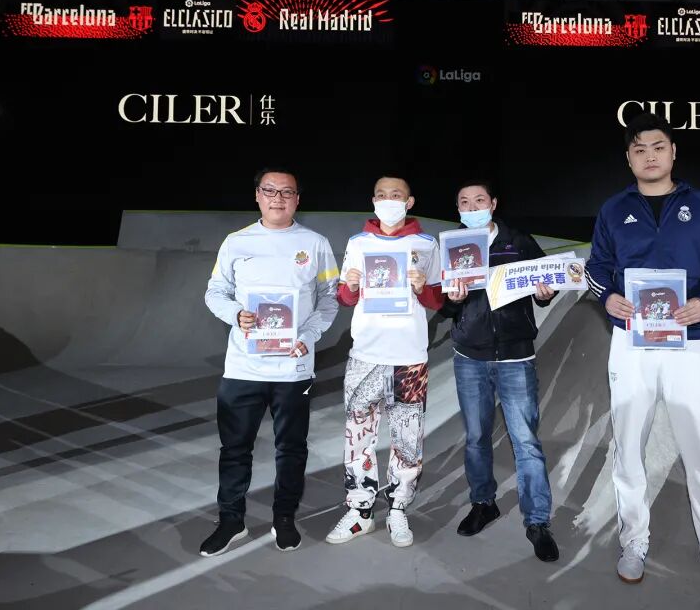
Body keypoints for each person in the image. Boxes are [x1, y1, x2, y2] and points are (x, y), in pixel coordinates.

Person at [586, 113, 700, 601]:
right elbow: (597, 267)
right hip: (631, 343)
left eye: (658, 147)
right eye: (639, 149)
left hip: (689, 342)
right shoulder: (613, 209)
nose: (649, 156)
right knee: (629, 448)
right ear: (628, 158)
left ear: (673, 152)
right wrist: (607, 298)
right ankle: (634, 542)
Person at [200, 167, 339, 556]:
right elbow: (214, 292)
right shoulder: (236, 242)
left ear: (298, 199)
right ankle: (231, 520)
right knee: (234, 448)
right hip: (243, 368)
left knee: (291, 448)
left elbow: (330, 297)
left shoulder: (316, 244)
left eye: (287, 192)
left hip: (293, 369)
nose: (278, 198)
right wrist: (235, 314)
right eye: (270, 190)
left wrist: (308, 336)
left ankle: (284, 517)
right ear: (257, 196)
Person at [439, 180, 560, 562]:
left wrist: (545, 292)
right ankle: (483, 503)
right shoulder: (452, 247)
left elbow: (546, 285)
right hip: (470, 357)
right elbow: (443, 305)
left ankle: (537, 521)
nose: (472, 207)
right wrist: (451, 299)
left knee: (526, 440)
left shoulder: (518, 241)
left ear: (492, 204)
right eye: (464, 202)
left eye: (479, 200)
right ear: (458, 209)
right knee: (476, 437)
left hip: (514, 356)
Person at [325, 175, 443, 548]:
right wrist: (351, 286)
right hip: (366, 355)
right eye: (380, 195)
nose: (387, 200)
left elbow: (438, 300)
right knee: (358, 436)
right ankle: (360, 511)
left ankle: (397, 508)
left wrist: (422, 287)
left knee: (407, 439)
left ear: (409, 202)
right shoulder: (358, 243)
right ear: (373, 200)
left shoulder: (426, 244)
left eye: (395, 195)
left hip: (409, 358)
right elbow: (345, 297)